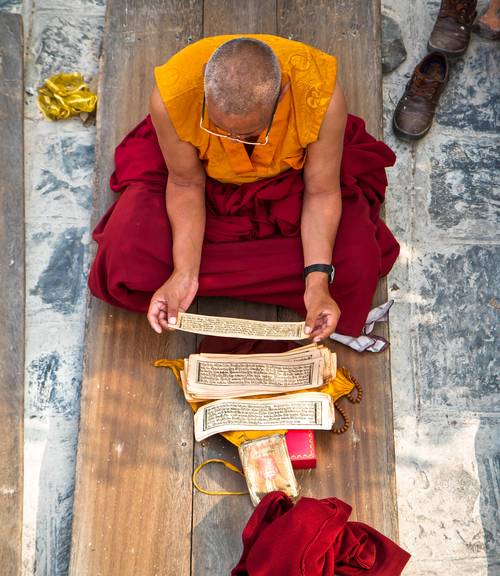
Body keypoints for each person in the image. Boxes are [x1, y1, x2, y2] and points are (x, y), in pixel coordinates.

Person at [88, 34, 400, 344]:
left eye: (249, 133)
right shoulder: (174, 94)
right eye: (218, 129)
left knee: (356, 263)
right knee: (122, 260)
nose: (233, 143)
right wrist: (183, 273)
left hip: (290, 186)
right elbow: (185, 183)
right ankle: (194, 280)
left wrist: (317, 282)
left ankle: (297, 289)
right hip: (201, 183)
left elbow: (320, 192)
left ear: (282, 96)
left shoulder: (318, 95)